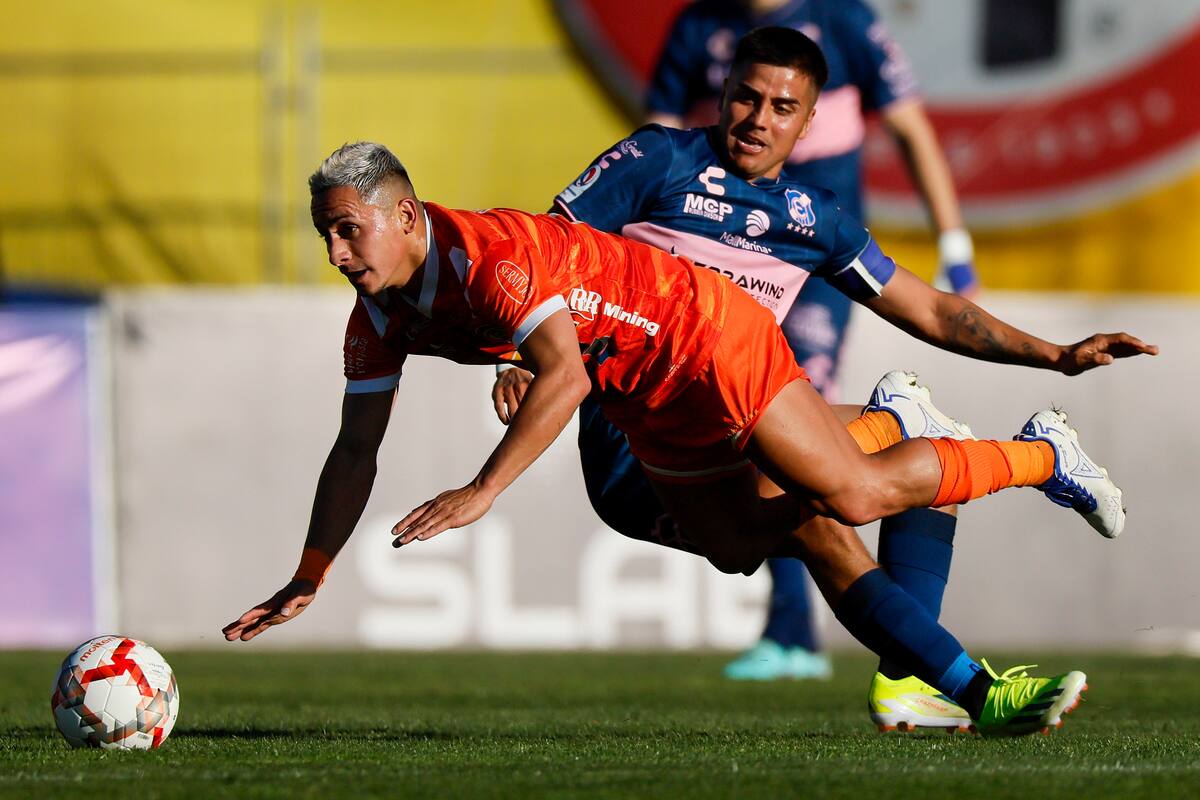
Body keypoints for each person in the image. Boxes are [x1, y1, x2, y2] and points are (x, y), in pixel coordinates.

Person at [223, 128, 1153, 736]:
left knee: (853, 498)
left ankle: (1040, 460)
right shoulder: (378, 317)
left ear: (405, 217)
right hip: (644, 390)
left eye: (348, 232)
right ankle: (892, 444)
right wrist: (310, 575)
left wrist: (484, 489)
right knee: (754, 537)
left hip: (702, 333)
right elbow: (355, 449)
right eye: (327, 236)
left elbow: (564, 372)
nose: (337, 255)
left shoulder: (488, 260)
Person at [644, 0, 978, 684]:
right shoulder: (698, 22)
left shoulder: (845, 20)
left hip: (814, 265)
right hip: (720, 259)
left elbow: (910, 127)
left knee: (792, 430)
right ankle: (847, 644)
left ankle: (800, 632)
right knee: (755, 438)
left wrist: (954, 242)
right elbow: (659, 136)